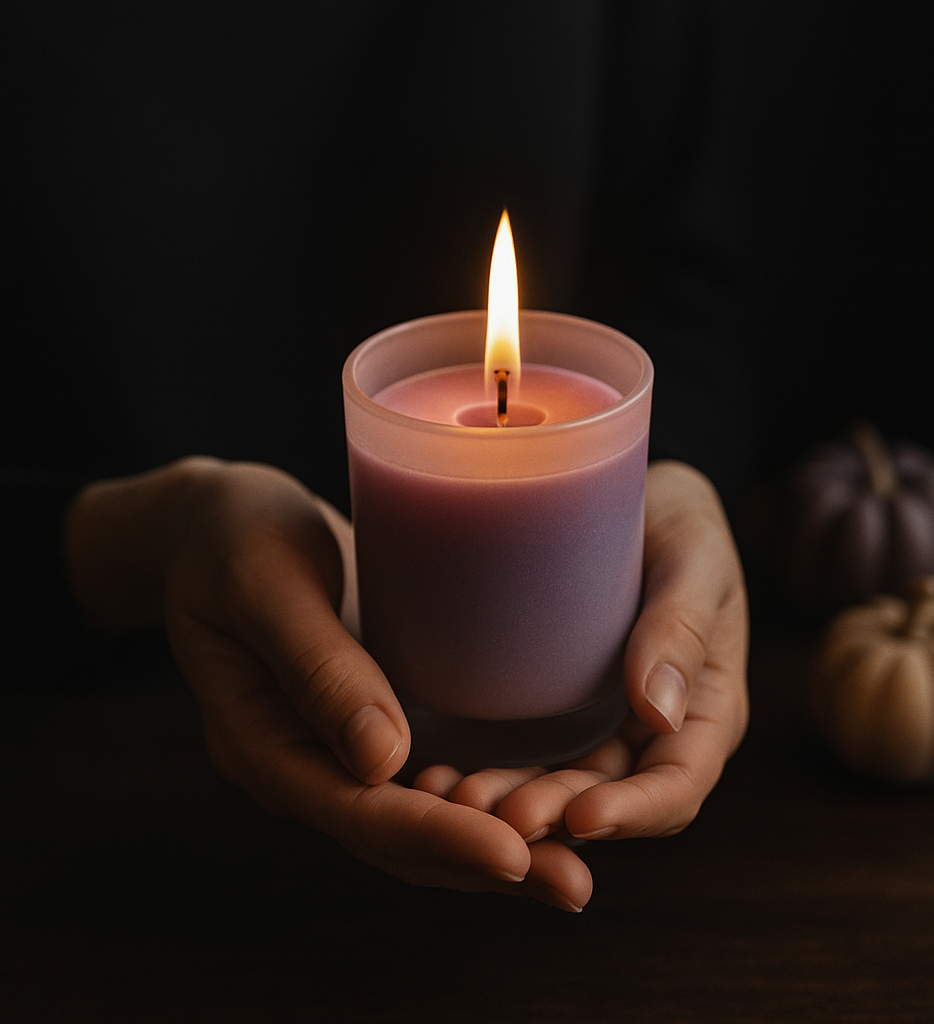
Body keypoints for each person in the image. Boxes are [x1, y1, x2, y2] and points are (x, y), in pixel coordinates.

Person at [3, 2, 749, 913]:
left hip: (594, 696)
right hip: (80, 777)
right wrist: (124, 542)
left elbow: (699, 261)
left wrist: (679, 474)